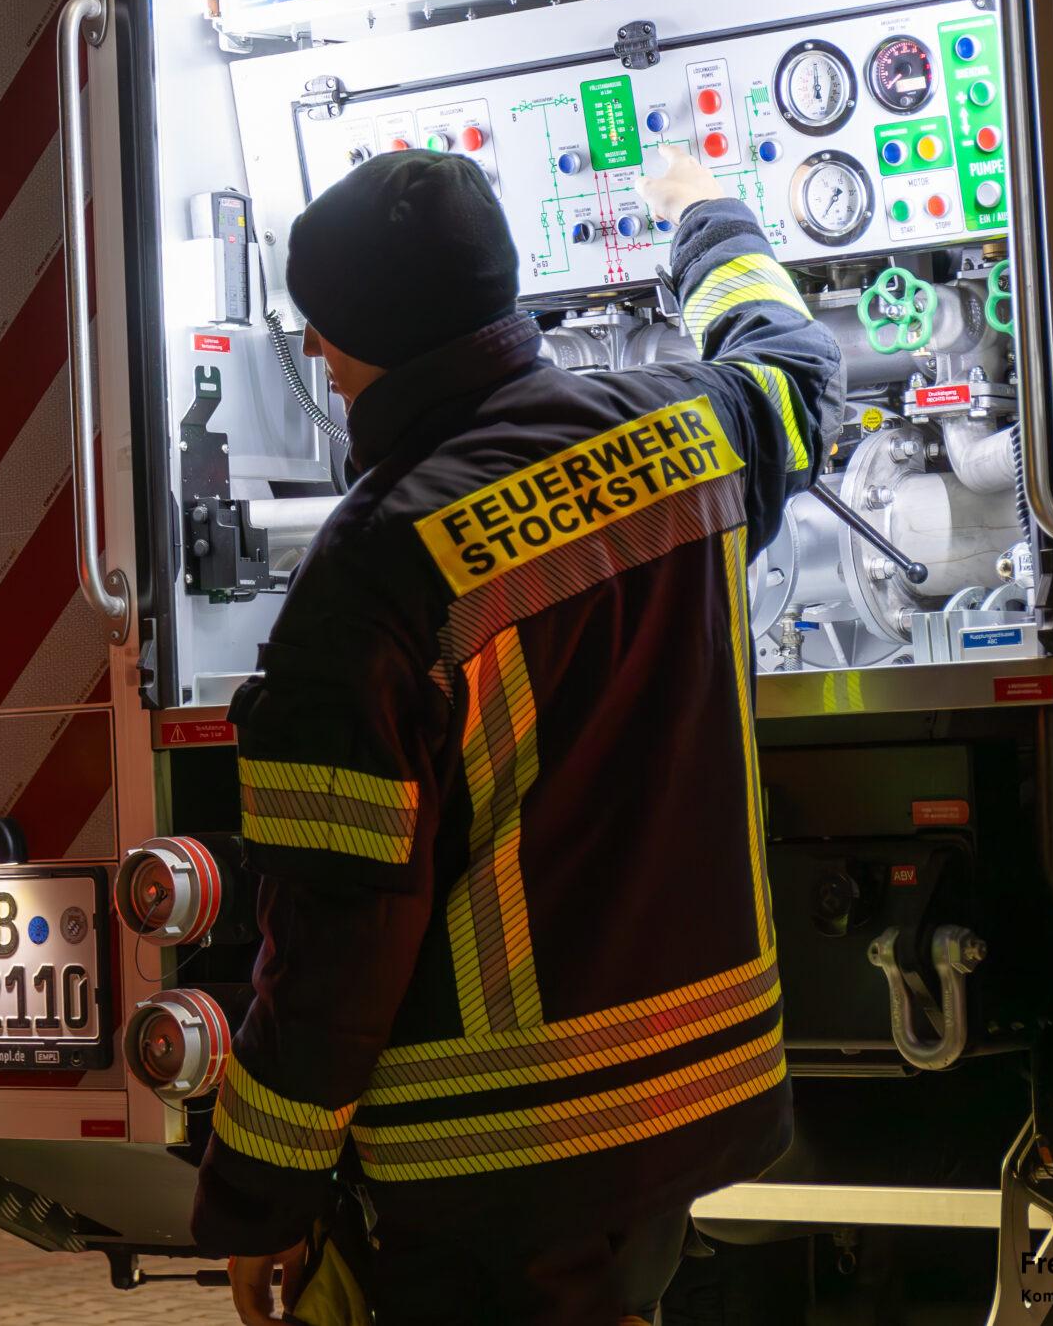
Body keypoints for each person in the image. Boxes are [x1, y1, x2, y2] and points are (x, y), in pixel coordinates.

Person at [193, 146, 840, 1326]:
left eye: (322, 333)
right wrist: (706, 215)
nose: (321, 364)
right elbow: (796, 360)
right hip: (683, 1112)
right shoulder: (690, 433)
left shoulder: (369, 574)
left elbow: (335, 951)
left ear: (365, 342)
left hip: (495, 1164)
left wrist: (259, 1202)